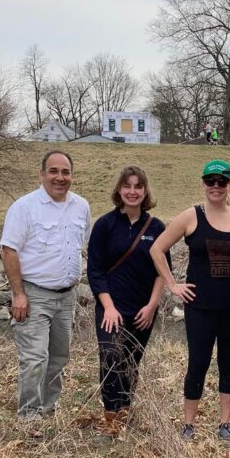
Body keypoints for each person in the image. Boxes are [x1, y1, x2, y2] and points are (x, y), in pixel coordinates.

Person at [150, 159, 230, 442]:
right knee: (198, 362)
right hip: (200, 307)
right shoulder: (191, 216)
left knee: (229, 362)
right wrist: (172, 285)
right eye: (211, 181)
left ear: (229, 185)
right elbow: (157, 249)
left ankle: (225, 424)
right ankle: (188, 425)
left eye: (222, 182)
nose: (216, 187)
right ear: (203, 184)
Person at [0, 150, 91, 422]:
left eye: (65, 172)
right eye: (53, 171)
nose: (59, 178)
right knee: (35, 358)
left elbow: (83, 243)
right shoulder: (24, 207)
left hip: (67, 297)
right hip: (34, 295)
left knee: (59, 357)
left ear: (72, 176)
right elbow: (9, 250)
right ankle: (29, 415)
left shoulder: (81, 207)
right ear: (41, 175)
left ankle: (49, 409)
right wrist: (18, 294)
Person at [87, 166, 169, 427]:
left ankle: (124, 412)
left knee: (132, 361)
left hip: (143, 308)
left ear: (145, 191)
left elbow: (162, 271)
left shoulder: (156, 227)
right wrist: (109, 308)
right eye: (127, 186)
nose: (132, 192)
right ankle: (111, 415)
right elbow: (95, 271)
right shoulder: (105, 225)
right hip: (111, 307)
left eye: (137, 187)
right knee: (111, 357)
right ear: (119, 190)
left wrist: (152, 305)